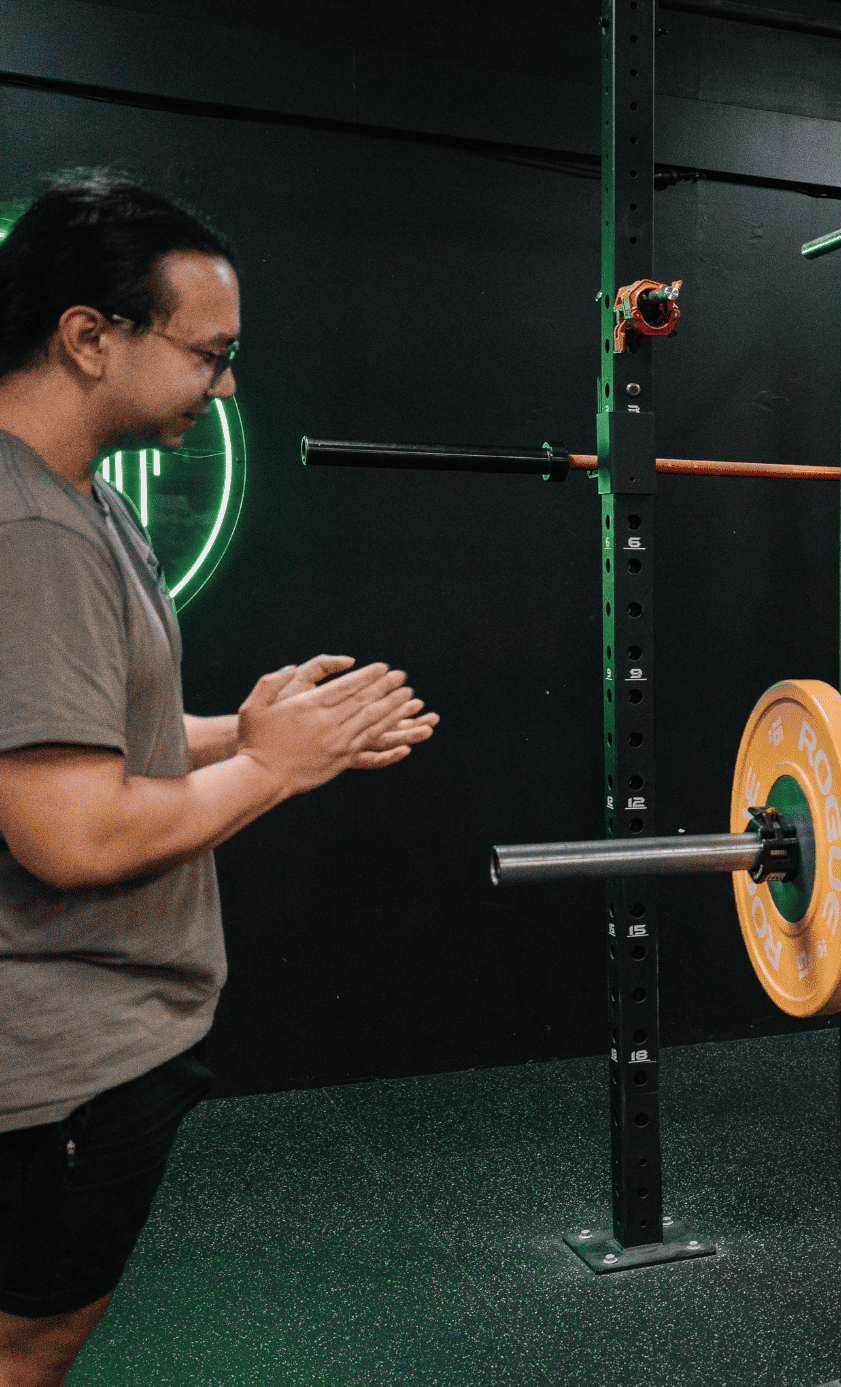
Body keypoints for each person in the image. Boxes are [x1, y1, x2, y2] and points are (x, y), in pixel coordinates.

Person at [0, 173, 437, 1387]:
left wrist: (231, 732)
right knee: (26, 1345)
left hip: (93, 1036)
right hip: (58, 1051)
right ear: (90, 337)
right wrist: (274, 771)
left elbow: (67, 739)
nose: (226, 386)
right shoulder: (24, 528)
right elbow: (73, 832)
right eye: (210, 354)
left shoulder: (80, 498)